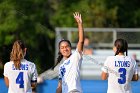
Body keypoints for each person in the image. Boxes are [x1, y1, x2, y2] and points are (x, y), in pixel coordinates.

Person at [55, 12, 84, 93]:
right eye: (62, 48)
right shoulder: (61, 67)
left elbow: (81, 41)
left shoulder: (75, 56)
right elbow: (60, 86)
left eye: (67, 46)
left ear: (70, 48)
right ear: (60, 50)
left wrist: (79, 24)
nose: (65, 49)